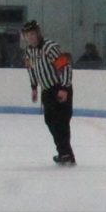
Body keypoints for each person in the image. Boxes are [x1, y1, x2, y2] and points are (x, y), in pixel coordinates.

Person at [21, 20, 75, 165]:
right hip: (47, 90)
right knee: (50, 121)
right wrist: (34, 88)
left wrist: (64, 88)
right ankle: (65, 154)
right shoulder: (28, 51)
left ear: (38, 34)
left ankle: (65, 154)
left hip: (59, 87)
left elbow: (65, 66)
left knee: (61, 122)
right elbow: (31, 70)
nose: (30, 37)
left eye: (32, 34)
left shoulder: (49, 47)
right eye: (27, 35)